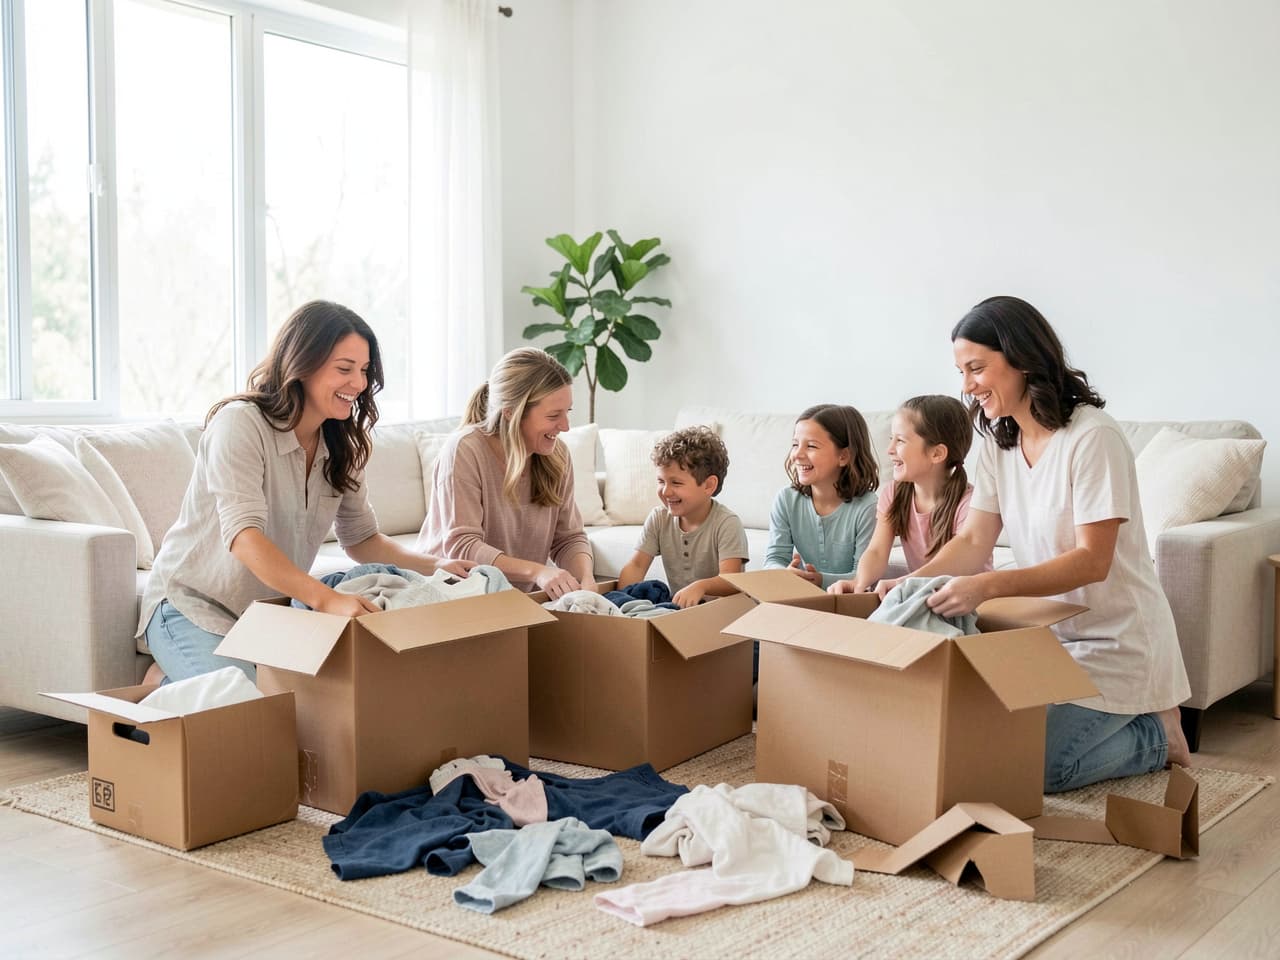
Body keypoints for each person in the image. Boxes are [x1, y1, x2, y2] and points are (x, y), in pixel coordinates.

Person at [881, 295, 1191, 791]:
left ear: (1021, 358)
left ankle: (1158, 735)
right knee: (989, 741)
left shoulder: (1092, 439)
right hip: (1052, 638)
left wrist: (986, 588)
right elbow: (975, 537)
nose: (967, 387)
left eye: (977, 368)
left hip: (1118, 642)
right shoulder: (999, 445)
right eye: (961, 371)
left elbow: (1093, 561)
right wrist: (909, 585)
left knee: (1038, 767)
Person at [138, 300, 472, 683]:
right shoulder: (240, 424)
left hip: (268, 612)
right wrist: (326, 600)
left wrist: (437, 565)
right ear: (302, 363)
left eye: (363, 371)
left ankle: (181, 678)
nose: (358, 384)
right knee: (247, 706)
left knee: (383, 590)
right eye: (344, 369)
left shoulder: (341, 444)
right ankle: (162, 681)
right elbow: (244, 538)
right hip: (192, 605)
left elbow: (363, 540)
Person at [417, 347, 594, 599]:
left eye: (568, 413)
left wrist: (585, 578)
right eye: (554, 415)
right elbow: (462, 547)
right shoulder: (465, 451)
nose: (565, 426)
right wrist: (537, 572)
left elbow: (568, 538)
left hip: (514, 602)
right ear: (511, 412)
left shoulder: (557, 455)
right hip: (448, 597)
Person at [829, 395, 990, 594]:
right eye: (891, 439)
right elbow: (877, 551)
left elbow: (958, 563)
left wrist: (905, 583)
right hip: (923, 594)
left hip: (968, 598)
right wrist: (858, 583)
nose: (889, 450)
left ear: (937, 454)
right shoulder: (894, 494)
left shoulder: (970, 504)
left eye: (900, 441)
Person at [616, 425, 749, 608]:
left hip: (719, 616)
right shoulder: (659, 518)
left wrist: (701, 586)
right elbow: (636, 566)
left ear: (709, 485)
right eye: (661, 481)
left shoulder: (726, 523)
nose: (666, 491)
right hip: (679, 612)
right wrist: (624, 600)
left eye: (676, 483)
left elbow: (732, 580)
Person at [763, 404, 879, 589]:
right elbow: (774, 559)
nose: (797, 454)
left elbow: (864, 576)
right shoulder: (786, 499)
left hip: (848, 601)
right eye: (795, 444)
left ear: (843, 456)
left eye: (811, 446)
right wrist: (784, 574)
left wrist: (821, 580)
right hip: (800, 598)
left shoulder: (867, 506)